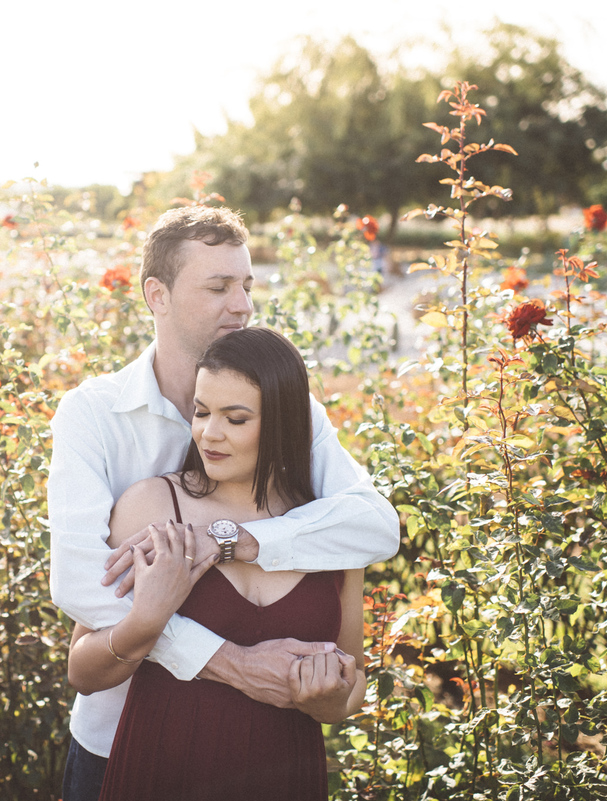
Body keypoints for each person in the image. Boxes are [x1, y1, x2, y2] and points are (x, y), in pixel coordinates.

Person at [48, 205, 399, 801]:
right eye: (218, 287)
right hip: (123, 745)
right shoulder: (93, 416)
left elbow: (373, 526)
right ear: (155, 295)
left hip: (269, 759)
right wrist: (232, 662)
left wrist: (236, 540)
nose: (241, 305)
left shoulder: (292, 414)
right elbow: (84, 586)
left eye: (246, 285)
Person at [69, 327, 368, 800]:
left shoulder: (328, 527)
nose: (210, 433)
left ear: (283, 424)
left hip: (283, 776)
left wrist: (330, 701)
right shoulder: (153, 507)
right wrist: (147, 620)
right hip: (162, 771)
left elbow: (353, 684)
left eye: (236, 418)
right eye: (201, 412)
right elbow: (83, 671)